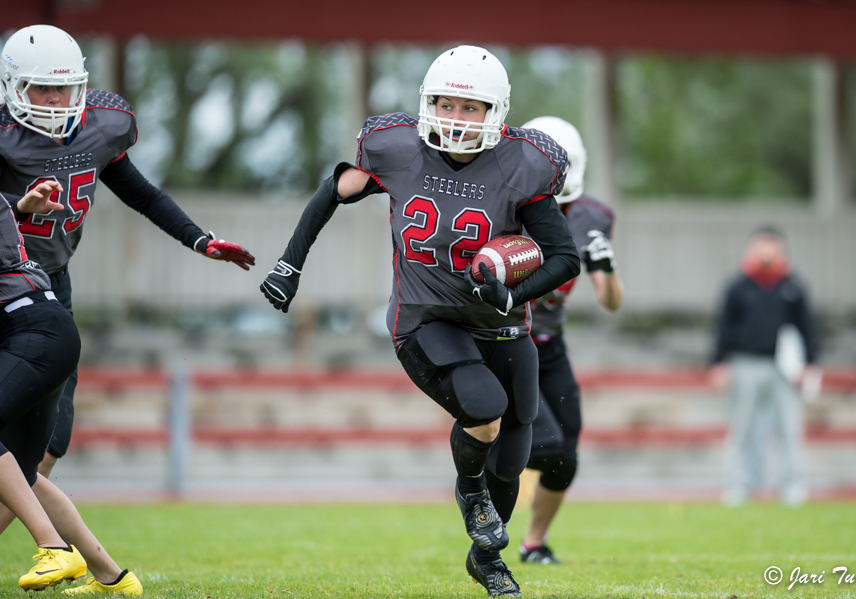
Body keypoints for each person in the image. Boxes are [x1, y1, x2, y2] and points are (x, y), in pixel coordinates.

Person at [260, 46, 580, 597]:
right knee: (485, 407)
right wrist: (289, 265)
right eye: (445, 103)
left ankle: (487, 556)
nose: (455, 118)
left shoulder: (523, 165)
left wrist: (511, 294)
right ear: (426, 103)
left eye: (470, 107)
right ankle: (469, 491)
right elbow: (331, 191)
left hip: (501, 324)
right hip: (426, 318)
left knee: (513, 459)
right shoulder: (397, 149)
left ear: (495, 113)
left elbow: (563, 258)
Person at [0, 24, 255, 533]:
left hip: (51, 287)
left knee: (48, 444)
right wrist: (17, 207)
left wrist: (198, 239)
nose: (54, 100)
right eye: (41, 88)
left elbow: (142, 193)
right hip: (4, 282)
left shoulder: (101, 128)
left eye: (63, 87)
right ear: (12, 87)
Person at [0, 183, 142, 595]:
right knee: (23, 473)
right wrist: (22, 206)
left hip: (30, 331)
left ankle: (53, 547)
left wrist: (21, 206)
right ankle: (114, 577)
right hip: (47, 329)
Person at [515, 117, 623, 565]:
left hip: (550, 341)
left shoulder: (591, 216)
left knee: (567, 455)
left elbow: (611, 301)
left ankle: (533, 543)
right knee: (545, 447)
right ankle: (482, 459)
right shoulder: (503, 204)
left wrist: (607, 266)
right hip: (506, 339)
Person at [709, 225, 817, 507]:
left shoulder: (792, 286)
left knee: (789, 429)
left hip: (785, 370)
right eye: (762, 245)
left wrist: (809, 364)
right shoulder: (738, 286)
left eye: (772, 246)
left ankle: (792, 486)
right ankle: (740, 485)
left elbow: (807, 328)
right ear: (752, 249)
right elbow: (723, 326)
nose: (767, 251)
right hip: (746, 364)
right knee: (742, 429)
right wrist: (719, 362)